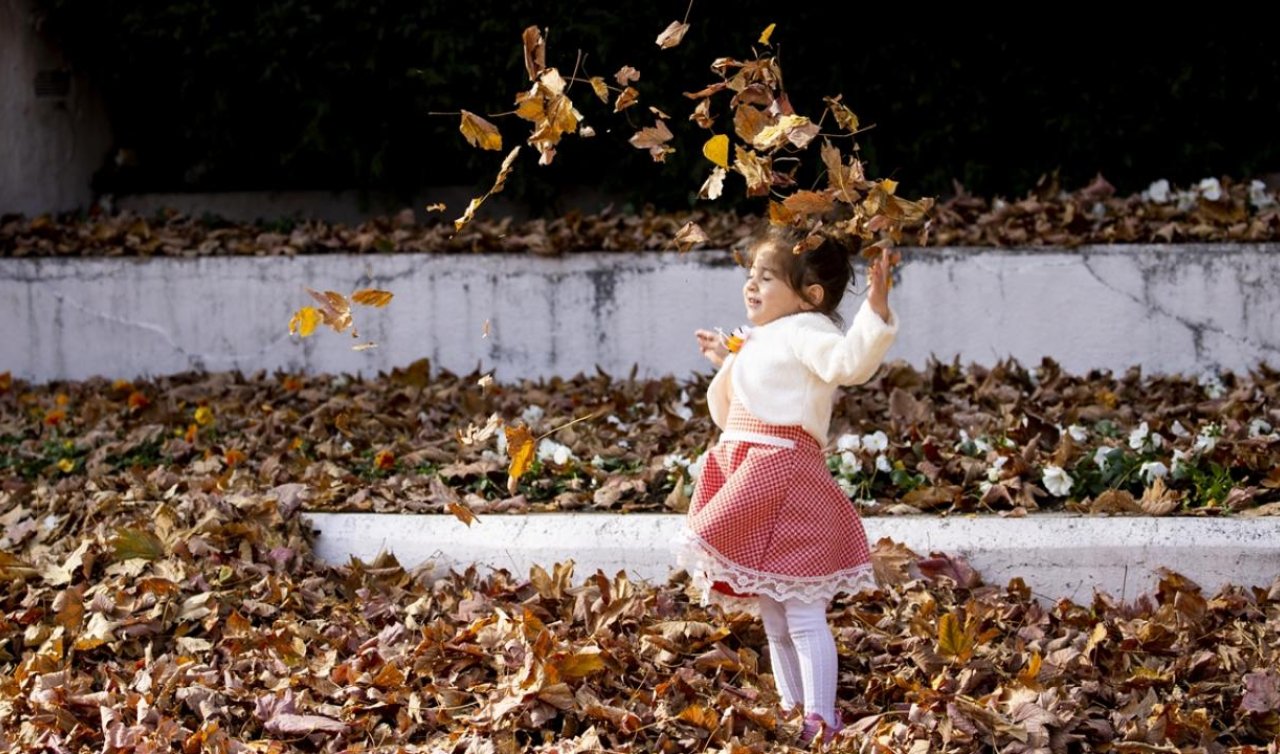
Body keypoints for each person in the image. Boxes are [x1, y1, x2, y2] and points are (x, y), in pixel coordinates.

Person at [681, 225, 900, 744]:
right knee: (774, 614)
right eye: (750, 275)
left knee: (801, 610)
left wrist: (876, 309)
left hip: (782, 477)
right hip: (749, 469)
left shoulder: (808, 330)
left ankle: (822, 716)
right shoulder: (765, 336)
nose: (751, 285)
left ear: (810, 295)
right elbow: (755, 389)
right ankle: (792, 706)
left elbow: (849, 364)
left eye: (768, 277)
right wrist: (729, 360)